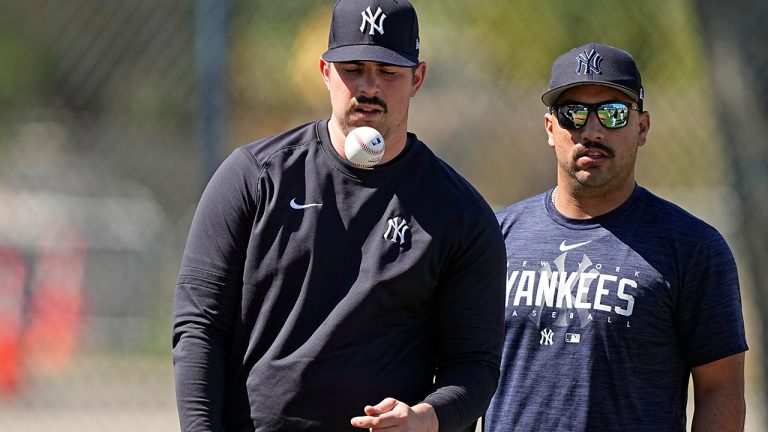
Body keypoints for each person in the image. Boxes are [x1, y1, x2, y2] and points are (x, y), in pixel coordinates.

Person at [172, 1, 507, 431]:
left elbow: (474, 365)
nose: (369, 87)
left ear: (417, 79)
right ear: (325, 71)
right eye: (353, 68)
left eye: (388, 72)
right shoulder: (254, 177)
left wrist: (425, 418)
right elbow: (199, 324)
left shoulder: (461, 214)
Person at [484, 42, 748, 431]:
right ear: (550, 128)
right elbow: (464, 373)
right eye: (573, 113)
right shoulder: (495, 237)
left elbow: (720, 388)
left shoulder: (692, 248)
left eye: (613, 113)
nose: (591, 130)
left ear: (641, 127)